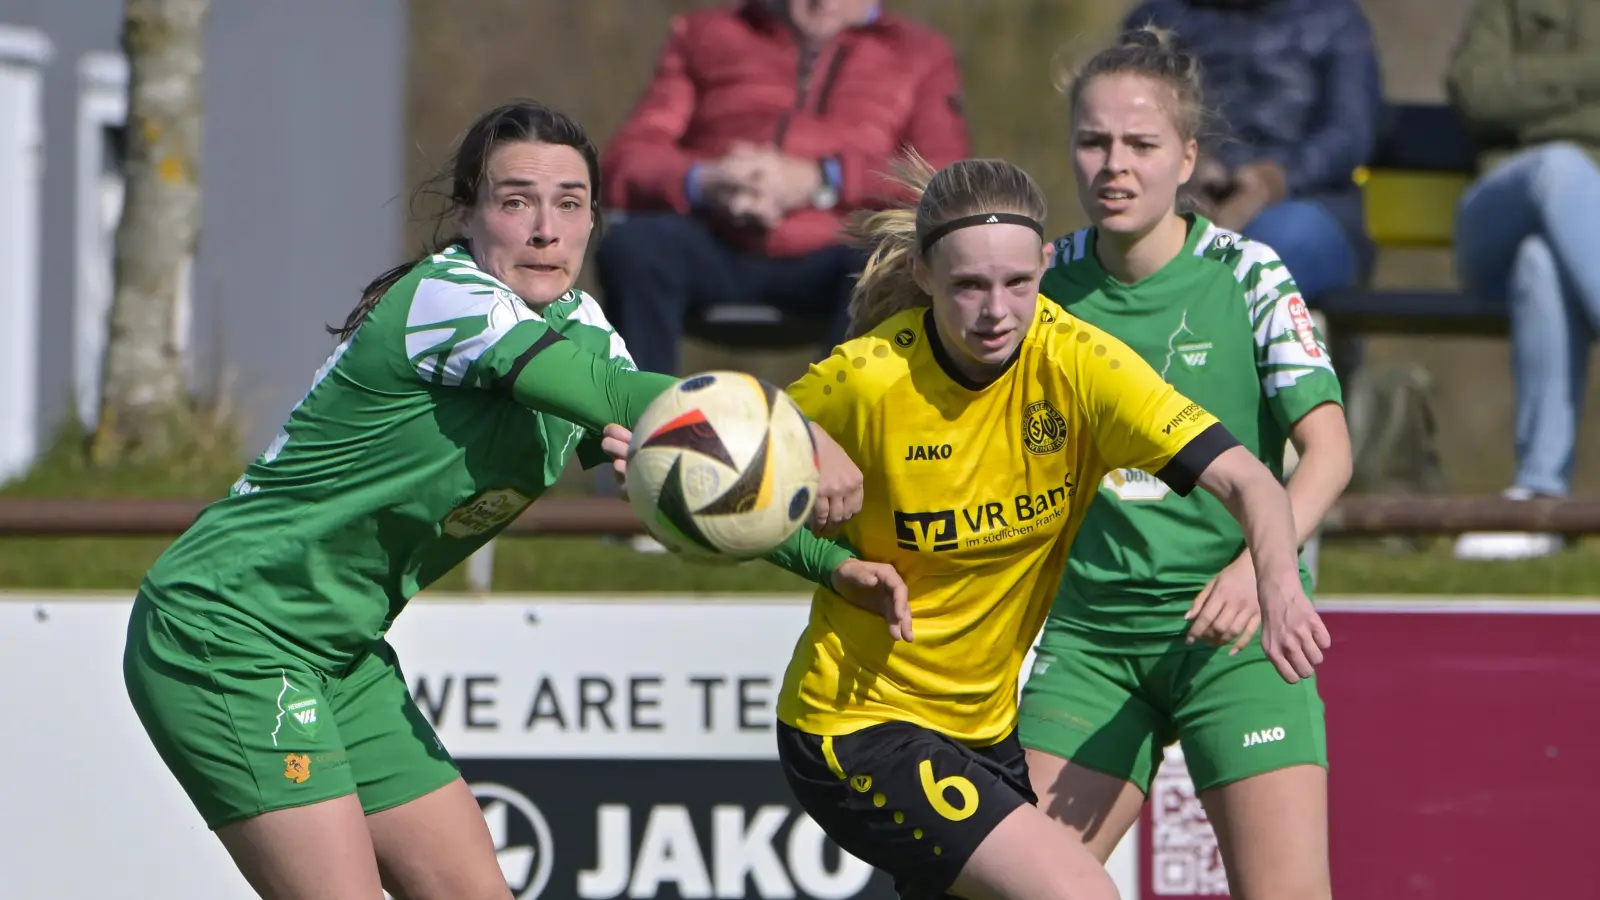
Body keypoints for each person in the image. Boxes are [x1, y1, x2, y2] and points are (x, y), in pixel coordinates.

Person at [120, 99, 902, 900]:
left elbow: (710, 475)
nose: (543, 229)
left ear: (594, 221)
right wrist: (799, 428)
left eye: (569, 204)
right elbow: (617, 392)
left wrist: (830, 566)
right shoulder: (447, 300)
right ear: (466, 215)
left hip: (339, 657)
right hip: (227, 633)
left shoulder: (585, 328)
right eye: (515, 200)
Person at [609, 150, 1331, 898]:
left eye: (1018, 283)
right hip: (857, 725)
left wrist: (1276, 581)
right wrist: (679, 451)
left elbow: (1249, 478)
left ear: (1047, 264)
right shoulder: (866, 381)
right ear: (923, 275)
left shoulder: (1082, 366)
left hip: (983, 731)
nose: (996, 312)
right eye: (969, 286)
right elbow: (728, 454)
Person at [1016, 27, 1351, 900]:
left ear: (1187, 157)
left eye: (1140, 144)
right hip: (1092, 644)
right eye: (1093, 142)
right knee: (1007, 887)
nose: (1113, 165)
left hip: (1239, 638)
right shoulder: (1039, 289)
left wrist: (1257, 568)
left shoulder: (1250, 276)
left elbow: (1329, 452)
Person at [596, 0, 970, 375]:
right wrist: (707, 180)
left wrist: (821, 179)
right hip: (716, 236)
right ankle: (639, 420)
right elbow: (627, 162)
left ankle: (839, 423)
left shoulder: (919, 54)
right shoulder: (704, 35)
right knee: (633, 249)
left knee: (889, 265)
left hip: (839, 246)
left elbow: (942, 181)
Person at [1444, 0, 1600, 561]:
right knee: (1559, 165)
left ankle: (1538, 501)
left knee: (1544, 260)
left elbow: (1509, 94)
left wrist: (1535, 96)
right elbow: (1478, 91)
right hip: (1498, 214)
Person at [1120, 0, 1382, 306]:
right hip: (1186, 201)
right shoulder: (1158, 19)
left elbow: (1350, 135)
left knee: (1265, 253)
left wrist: (1273, 181)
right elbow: (1131, 120)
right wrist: (1190, 166)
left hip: (1310, 206)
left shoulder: (1335, 18)